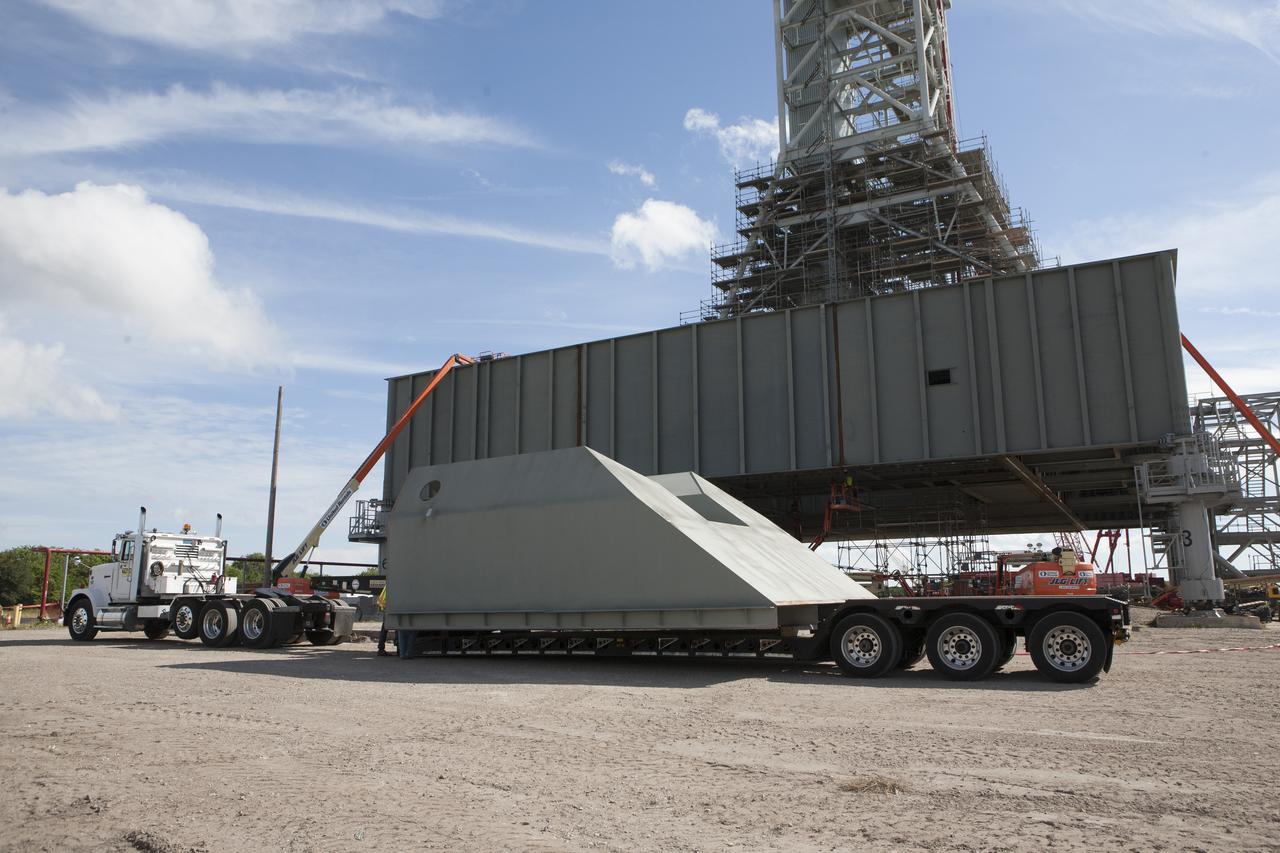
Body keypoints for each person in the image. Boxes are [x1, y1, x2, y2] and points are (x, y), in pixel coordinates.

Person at [376, 583, 390, 656]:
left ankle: (381, 649)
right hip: (388, 609)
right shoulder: (391, 584)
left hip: (386, 608)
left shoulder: (388, 584)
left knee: (384, 629)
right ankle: (381, 649)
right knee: (385, 629)